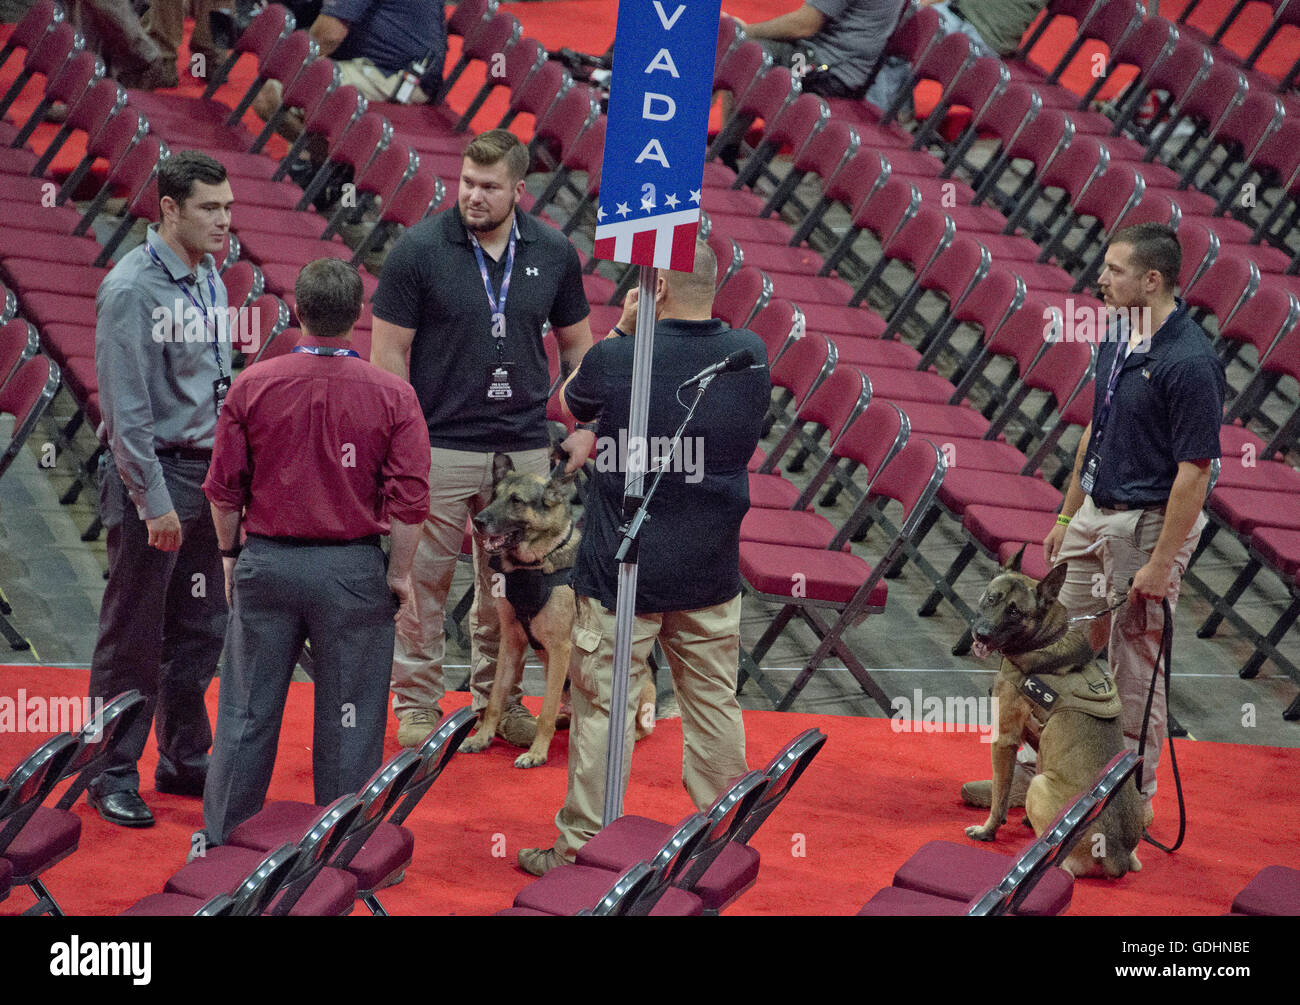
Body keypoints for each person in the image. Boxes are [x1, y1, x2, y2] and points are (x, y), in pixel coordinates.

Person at [518, 241, 771, 876]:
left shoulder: (622, 355)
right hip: (712, 567)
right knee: (713, 703)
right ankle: (724, 840)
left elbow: (571, 403)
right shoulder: (750, 355)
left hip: (623, 567)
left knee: (605, 706)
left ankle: (583, 849)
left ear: (654, 288)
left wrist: (628, 327)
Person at [962, 222, 1225, 828]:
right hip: (1093, 515)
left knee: (1133, 665)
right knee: (1053, 650)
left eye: (1114, 270)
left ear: (1152, 280)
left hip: (1143, 528)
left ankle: (1131, 797)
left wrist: (1161, 563)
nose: (1100, 279)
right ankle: (1041, 774)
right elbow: (1095, 429)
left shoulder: (1189, 363)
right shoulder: (1118, 334)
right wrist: (1067, 511)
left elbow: (1195, 473)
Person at [369, 128, 596, 750]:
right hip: (440, 446)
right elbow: (387, 351)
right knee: (422, 585)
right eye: (466, 182)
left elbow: (580, 347)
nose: (473, 195)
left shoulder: (552, 251)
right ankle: (417, 705)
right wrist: (404, 437)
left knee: (509, 588)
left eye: (488, 187)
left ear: (518, 191)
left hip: (523, 448)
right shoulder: (419, 250)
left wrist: (583, 424)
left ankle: (499, 702)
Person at [200, 258, 430, 845]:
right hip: (353, 571)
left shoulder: (253, 384)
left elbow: (224, 491)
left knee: (246, 713)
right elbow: (409, 502)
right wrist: (399, 575)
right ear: (360, 316)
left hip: (268, 563)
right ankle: (339, 850)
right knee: (351, 720)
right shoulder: (395, 395)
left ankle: (224, 843)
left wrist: (230, 557)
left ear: (298, 310)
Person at [86, 151, 235, 827]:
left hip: (206, 474)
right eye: (211, 208)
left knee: (200, 626)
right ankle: (109, 770)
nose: (224, 221)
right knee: (134, 633)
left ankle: (182, 756)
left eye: (228, 208)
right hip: (157, 474)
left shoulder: (213, 277)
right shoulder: (131, 290)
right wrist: (155, 503)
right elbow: (126, 415)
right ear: (169, 208)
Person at [251, 0, 448, 142]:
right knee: (305, 60)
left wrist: (286, 66)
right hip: (398, 67)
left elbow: (328, 36)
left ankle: (331, 167)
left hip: (395, 75)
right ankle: (314, 163)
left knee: (270, 95)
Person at [728, 1, 906, 100]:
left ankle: (727, 151)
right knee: (748, 46)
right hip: (843, 68)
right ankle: (729, 148)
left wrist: (744, 31)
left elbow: (803, 26)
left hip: (826, 69)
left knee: (745, 51)